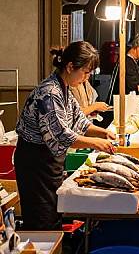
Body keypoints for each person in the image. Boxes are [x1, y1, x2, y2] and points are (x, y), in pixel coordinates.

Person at [15, 42, 116, 231]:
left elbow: (80, 121)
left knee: (54, 213)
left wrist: (104, 133)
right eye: (85, 72)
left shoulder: (65, 89)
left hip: (49, 162)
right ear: (70, 67)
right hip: (35, 163)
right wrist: (96, 143)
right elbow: (61, 134)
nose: (86, 78)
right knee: (42, 218)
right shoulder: (49, 93)